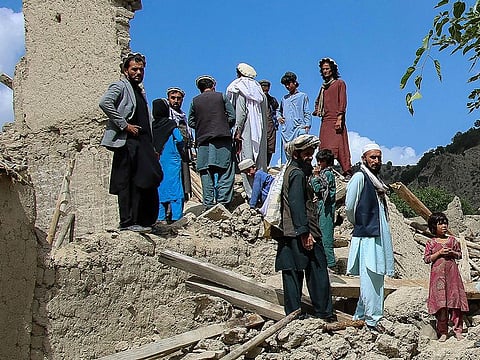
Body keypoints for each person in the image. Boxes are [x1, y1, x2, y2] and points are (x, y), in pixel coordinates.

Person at [99, 52, 162, 233]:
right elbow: (105, 103)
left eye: (141, 69)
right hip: (127, 142)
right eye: (134, 69)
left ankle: (145, 220)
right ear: (126, 70)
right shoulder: (121, 86)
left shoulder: (140, 91)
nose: (138, 72)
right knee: (127, 182)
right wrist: (124, 125)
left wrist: (152, 147)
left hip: (142, 144)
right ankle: (127, 222)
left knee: (146, 178)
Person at [274, 134, 334, 319]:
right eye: (306, 153)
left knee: (292, 272)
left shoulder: (291, 171)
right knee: (317, 271)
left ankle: (293, 314)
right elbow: (297, 204)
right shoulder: (298, 174)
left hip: (289, 231)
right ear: (297, 154)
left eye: (311, 152)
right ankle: (323, 313)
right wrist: (304, 232)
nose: (310, 156)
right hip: (302, 231)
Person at [345, 143, 394, 332]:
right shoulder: (360, 177)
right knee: (370, 277)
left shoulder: (376, 181)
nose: (376, 161)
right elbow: (350, 206)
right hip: (367, 235)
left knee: (376, 277)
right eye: (373, 157)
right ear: (364, 158)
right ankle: (373, 319)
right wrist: (359, 222)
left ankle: (361, 314)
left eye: (379, 158)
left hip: (377, 234)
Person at [188, 75, 236, 210]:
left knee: (205, 172)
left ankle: (208, 204)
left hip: (203, 142)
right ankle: (223, 203)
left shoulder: (195, 101)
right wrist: (223, 125)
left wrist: (201, 126)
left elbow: (190, 121)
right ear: (213, 86)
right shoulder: (221, 97)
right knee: (225, 171)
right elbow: (232, 116)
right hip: (222, 140)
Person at [424, 212, 469, 342]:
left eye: (445, 223)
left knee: (455, 303)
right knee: (441, 305)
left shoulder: (452, 240)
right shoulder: (431, 243)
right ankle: (443, 332)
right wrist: (439, 253)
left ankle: (458, 330)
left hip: (452, 275)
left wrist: (452, 252)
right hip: (437, 277)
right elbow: (427, 259)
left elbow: (459, 255)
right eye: (440, 223)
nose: (444, 226)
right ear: (434, 226)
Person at [226, 63, 268, 198]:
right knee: (260, 163)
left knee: (246, 162)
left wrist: (237, 132)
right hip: (260, 133)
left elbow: (241, 113)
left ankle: (251, 195)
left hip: (246, 132)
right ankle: (262, 194)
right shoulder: (260, 93)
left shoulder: (241, 90)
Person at [313, 58, 352, 177]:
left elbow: (342, 102)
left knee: (340, 147)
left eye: (327, 69)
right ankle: (324, 170)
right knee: (324, 146)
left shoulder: (340, 83)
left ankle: (347, 171)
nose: (325, 71)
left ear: (332, 70)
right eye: (323, 69)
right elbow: (319, 103)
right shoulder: (324, 87)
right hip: (325, 120)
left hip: (336, 119)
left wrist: (340, 118)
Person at [152, 95, 184, 224]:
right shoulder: (170, 124)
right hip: (172, 159)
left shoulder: (152, 127)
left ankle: (160, 217)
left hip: (158, 160)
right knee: (175, 187)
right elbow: (180, 139)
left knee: (160, 187)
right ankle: (176, 217)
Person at [310, 149, 337, 269]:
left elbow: (320, 189)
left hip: (326, 210)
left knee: (326, 237)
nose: (319, 163)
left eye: (322, 161)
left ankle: (330, 264)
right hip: (323, 208)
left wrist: (315, 178)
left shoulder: (327, 174)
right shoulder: (326, 173)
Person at [277, 72, 311, 164]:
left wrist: (307, 125)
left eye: (289, 84)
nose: (287, 86)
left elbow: (307, 111)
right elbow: (278, 111)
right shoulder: (284, 98)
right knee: (286, 151)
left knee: (299, 150)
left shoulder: (302, 96)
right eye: (285, 85)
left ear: (295, 82)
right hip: (286, 129)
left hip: (298, 127)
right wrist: (279, 117)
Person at [166, 87, 193, 202]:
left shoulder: (182, 115)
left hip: (183, 151)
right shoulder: (167, 115)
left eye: (178, 98)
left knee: (184, 179)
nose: (176, 101)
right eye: (173, 98)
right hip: (171, 152)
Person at [259, 79, 279, 166]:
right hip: (260, 126)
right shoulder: (256, 99)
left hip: (271, 126)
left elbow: (277, 110)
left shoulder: (272, 100)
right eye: (263, 87)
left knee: (270, 147)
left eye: (267, 87)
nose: (265, 89)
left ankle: (267, 165)